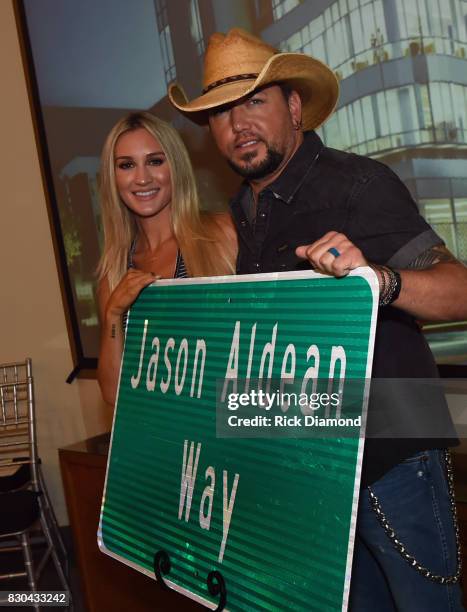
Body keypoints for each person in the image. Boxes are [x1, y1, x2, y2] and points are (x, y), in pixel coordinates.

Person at [168, 28, 467, 611]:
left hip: (392, 462)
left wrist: (377, 279)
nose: (238, 124)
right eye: (222, 113)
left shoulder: (357, 184)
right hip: (311, 467)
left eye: (254, 101)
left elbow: (460, 291)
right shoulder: (244, 210)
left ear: (295, 107)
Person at [97, 111, 236, 406]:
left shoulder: (223, 234)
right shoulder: (115, 272)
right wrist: (113, 316)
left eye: (155, 161)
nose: (142, 178)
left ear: (176, 166)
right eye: (126, 165)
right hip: (165, 436)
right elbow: (113, 396)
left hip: (229, 428)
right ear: (113, 177)